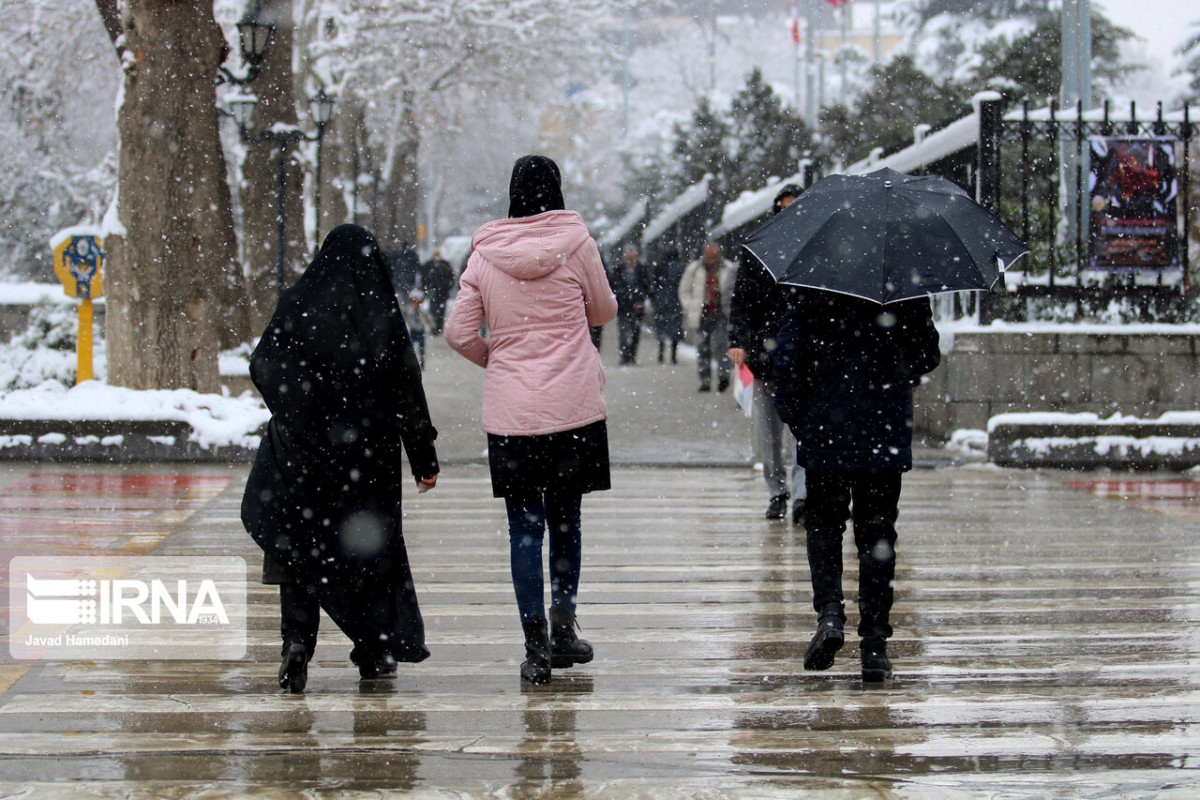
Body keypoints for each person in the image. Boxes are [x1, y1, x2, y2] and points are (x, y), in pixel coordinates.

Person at [241, 223, 440, 693]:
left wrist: (296, 411)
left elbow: (261, 365)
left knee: (299, 548)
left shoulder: (298, 301)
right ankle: (372, 651)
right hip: (365, 456)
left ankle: (296, 642)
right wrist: (423, 456)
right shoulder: (378, 311)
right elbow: (405, 388)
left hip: (303, 452)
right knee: (367, 552)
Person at [445, 154, 618, 685]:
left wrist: (498, 359)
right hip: (573, 407)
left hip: (513, 413)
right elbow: (604, 311)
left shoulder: (484, 256)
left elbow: (457, 332)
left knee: (525, 528)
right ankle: (565, 628)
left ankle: (534, 645)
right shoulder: (578, 245)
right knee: (566, 520)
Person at [771, 289, 941, 682]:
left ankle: (830, 614)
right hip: (882, 428)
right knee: (877, 536)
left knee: (825, 525)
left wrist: (798, 417)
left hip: (825, 427)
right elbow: (925, 357)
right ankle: (875, 644)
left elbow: (787, 360)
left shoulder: (813, 286)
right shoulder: (906, 290)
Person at [729, 184, 807, 523]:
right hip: (766, 351)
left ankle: (802, 493)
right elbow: (742, 300)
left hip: (804, 353)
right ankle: (777, 490)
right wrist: (739, 339)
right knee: (770, 428)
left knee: (803, 429)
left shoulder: (813, 248)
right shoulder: (759, 250)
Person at [678, 240, 737, 392]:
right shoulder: (695, 268)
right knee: (702, 349)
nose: (711, 257)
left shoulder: (728, 268)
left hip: (721, 315)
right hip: (701, 315)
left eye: (714, 254)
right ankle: (705, 380)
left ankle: (723, 378)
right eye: (709, 254)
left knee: (722, 347)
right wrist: (690, 306)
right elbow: (684, 290)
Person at [610, 243, 651, 365]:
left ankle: (632, 355)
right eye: (627, 256)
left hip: (637, 306)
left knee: (635, 332)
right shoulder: (618, 270)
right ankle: (624, 356)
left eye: (632, 256)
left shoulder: (642, 269)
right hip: (623, 306)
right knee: (623, 332)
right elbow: (613, 286)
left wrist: (640, 299)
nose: (630, 259)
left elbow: (646, 286)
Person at [650, 247, 685, 364]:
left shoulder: (660, 265)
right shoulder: (680, 266)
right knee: (675, 330)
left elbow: (654, 283)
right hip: (676, 300)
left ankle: (661, 353)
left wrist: (655, 298)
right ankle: (673, 356)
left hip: (661, 301)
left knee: (661, 329)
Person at [421, 250, 456, 335]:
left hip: (442, 292)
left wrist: (447, 287)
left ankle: (438, 327)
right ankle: (435, 327)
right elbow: (424, 278)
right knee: (433, 309)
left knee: (440, 310)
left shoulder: (445, 265)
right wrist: (426, 288)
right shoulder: (428, 265)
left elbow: (451, 278)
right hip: (433, 291)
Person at [404, 287, 430, 369]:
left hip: (420, 330)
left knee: (421, 348)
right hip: (413, 330)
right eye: (413, 301)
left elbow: (428, 318)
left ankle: (422, 361)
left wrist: (427, 321)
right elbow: (406, 318)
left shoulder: (423, 310)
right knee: (411, 348)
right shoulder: (409, 310)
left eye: (417, 301)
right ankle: (411, 362)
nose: (415, 303)